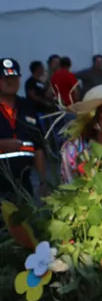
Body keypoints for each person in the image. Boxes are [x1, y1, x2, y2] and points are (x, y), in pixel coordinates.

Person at [0, 58, 47, 200]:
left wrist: (43, 181)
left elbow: (38, 145)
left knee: (26, 221)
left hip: (24, 183)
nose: (10, 81)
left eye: (14, 77)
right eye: (4, 78)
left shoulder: (27, 106)